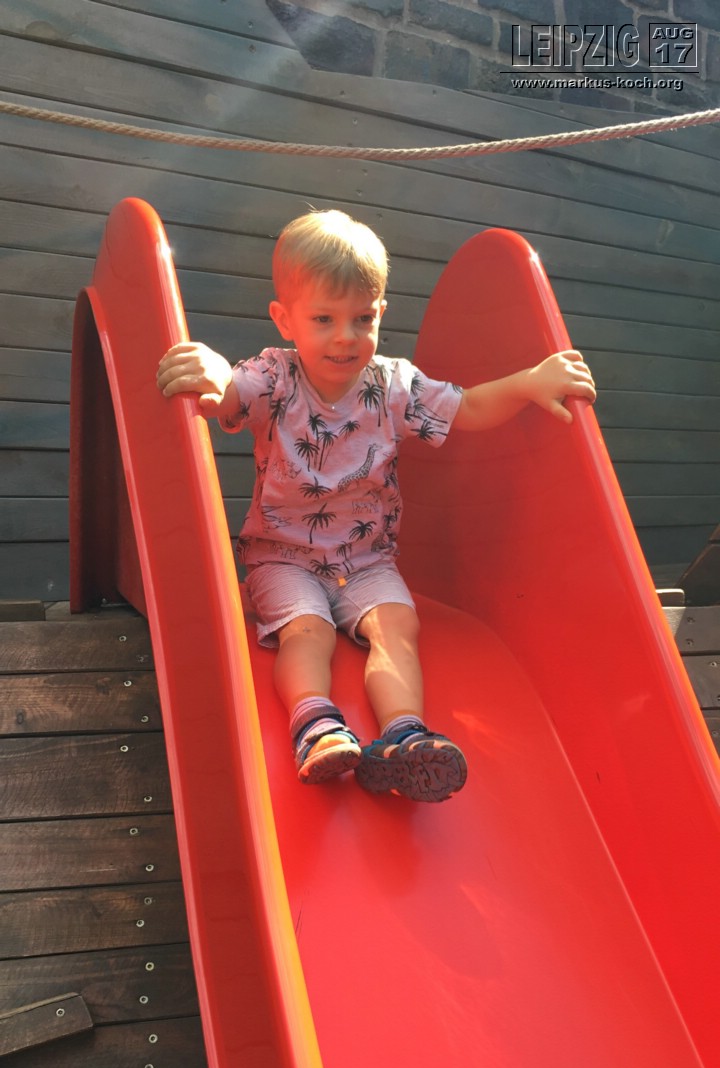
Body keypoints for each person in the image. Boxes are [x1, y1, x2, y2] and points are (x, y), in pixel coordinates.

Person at [157, 209, 596, 803]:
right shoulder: (275, 377)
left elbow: (466, 408)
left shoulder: (393, 386)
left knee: (398, 626)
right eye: (324, 319)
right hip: (283, 558)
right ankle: (317, 726)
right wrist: (213, 370)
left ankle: (404, 737)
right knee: (308, 631)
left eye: (362, 318)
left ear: (381, 314)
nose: (345, 336)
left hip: (368, 559)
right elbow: (227, 396)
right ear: (285, 319)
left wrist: (527, 383)